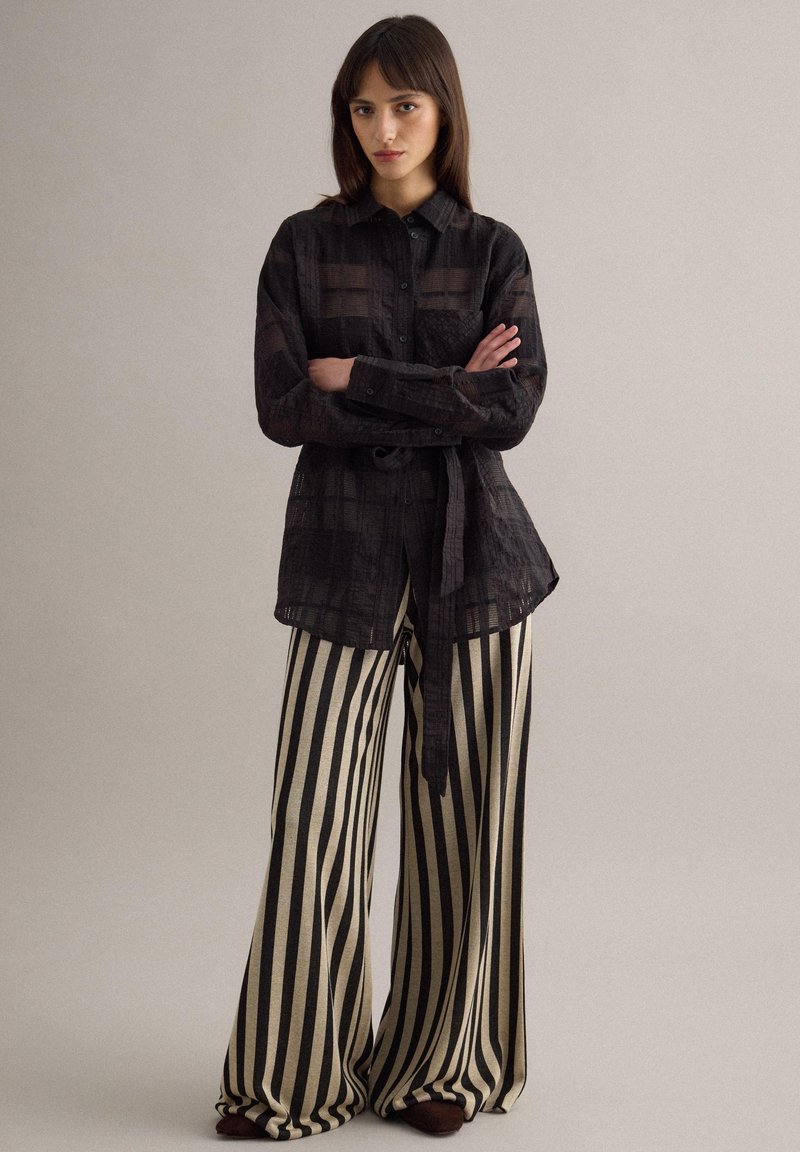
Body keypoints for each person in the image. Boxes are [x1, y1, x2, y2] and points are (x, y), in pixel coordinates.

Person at [214, 12, 559, 1142]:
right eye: (362, 108)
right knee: (315, 822)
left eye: (403, 105)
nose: (382, 128)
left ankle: (438, 1066)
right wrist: (444, 389)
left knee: (465, 829)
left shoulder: (493, 251)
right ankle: (289, 1077)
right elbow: (282, 407)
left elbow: (510, 410)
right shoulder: (301, 246)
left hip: (478, 566)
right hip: (342, 562)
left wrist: (358, 374)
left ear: (443, 111)